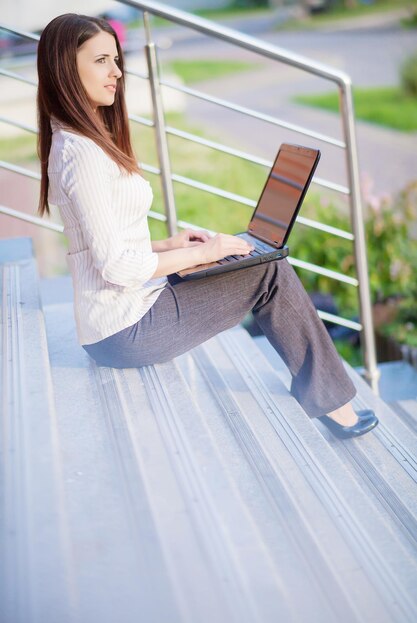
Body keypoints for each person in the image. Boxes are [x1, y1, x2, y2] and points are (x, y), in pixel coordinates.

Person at [37, 13, 378, 439]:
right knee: (266, 268)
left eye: (116, 59)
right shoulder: (81, 154)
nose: (117, 72)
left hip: (124, 315)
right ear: (66, 68)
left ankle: (326, 391)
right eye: (102, 60)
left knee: (249, 257)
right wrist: (203, 253)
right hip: (125, 330)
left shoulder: (77, 141)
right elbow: (116, 267)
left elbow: (101, 242)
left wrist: (169, 245)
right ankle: (335, 405)